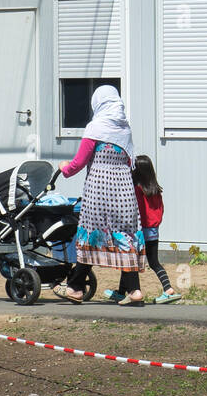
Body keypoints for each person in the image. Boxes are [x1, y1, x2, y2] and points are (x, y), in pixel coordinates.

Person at [52, 85, 145, 303]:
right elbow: (131, 161)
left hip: (98, 193)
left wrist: (64, 168)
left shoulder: (95, 129)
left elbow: (79, 163)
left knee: (92, 236)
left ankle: (75, 287)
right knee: (125, 239)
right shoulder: (125, 130)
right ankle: (134, 291)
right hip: (124, 194)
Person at [106, 154, 180, 304]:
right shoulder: (156, 190)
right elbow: (161, 210)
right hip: (153, 231)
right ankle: (168, 290)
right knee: (154, 262)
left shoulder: (136, 190)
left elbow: (134, 210)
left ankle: (125, 292)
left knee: (129, 261)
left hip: (138, 231)